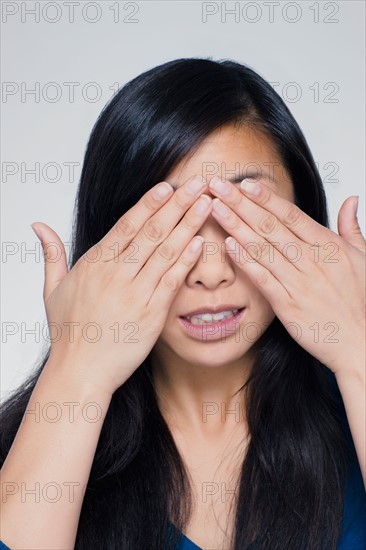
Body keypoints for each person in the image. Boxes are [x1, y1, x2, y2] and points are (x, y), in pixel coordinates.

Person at [0, 57, 365, 550]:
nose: (210, 273)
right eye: (171, 226)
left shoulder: (350, 413)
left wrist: (359, 347)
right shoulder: (31, 445)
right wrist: (75, 370)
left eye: (244, 216)